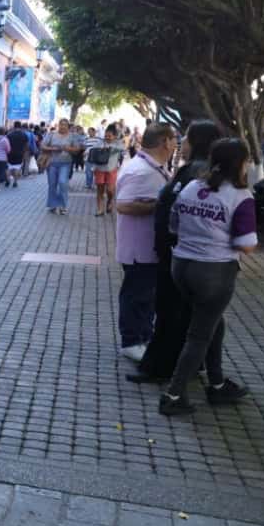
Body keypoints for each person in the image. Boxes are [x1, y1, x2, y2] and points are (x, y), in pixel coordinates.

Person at [160, 139, 257, 416]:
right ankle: (174, 395)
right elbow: (246, 244)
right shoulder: (240, 197)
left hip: (182, 266)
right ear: (240, 163)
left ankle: (217, 384)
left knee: (212, 321)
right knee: (199, 334)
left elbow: (174, 224)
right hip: (214, 271)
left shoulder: (192, 187)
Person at [133, 120, 219, 383]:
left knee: (174, 313)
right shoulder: (192, 170)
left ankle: (165, 369)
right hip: (174, 253)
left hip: (181, 254)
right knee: (174, 312)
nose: (183, 144)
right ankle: (174, 366)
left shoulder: (199, 172)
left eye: (187, 139)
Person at [114, 123, 178, 363]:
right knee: (136, 294)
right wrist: (161, 205)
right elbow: (123, 204)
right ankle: (131, 341)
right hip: (138, 248)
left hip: (148, 248)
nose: (175, 144)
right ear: (164, 141)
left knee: (145, 296)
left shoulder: (153, 168)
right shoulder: (142, 171)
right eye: (174, 139)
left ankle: (142, 336)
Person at [42, 119, 83, 215]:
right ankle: (52, 205)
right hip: (52, 163)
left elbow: (77, 149)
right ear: (58, 125)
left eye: (65, 125)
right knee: (52, 184)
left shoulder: (73, 136)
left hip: (65, 163)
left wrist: (69, 149)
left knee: (62, 182)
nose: (63, 126)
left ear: (68, 126)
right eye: (61, 124)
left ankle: (62, 205)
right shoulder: (51, 134)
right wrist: (53, 148)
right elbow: (42, 145)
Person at [90, 123, 127, 216]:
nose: (107, 137)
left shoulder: (118, 143)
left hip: (111, 169)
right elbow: (93, 149)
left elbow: (123, 149)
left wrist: (111, 147)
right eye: (106, 136)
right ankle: (100, 209)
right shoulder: (100, 142)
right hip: (99, 169)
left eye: (109, 136)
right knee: (100, 189)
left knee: (110, 190)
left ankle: (110, 201)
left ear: (114, 136)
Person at [6, 121, 31, 187]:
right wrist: (25, 152)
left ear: (14, 126)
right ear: (20, 126)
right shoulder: (24, 134)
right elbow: (27, 145)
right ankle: (15, 181)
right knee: (17, 167)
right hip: (20, 153)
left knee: (9, 167)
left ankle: (8, 180)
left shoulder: (9, 134)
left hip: (10, 153)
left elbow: (6, 144)